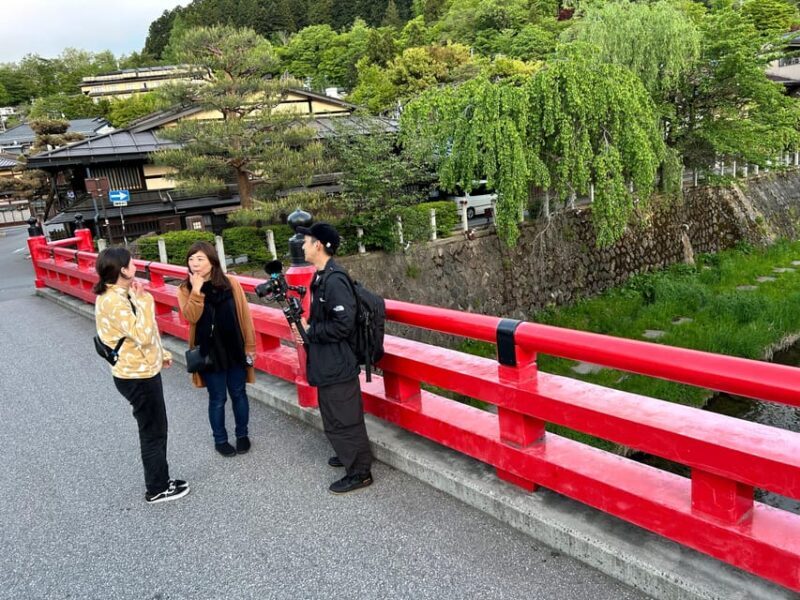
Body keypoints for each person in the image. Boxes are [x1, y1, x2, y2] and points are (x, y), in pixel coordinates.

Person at [94, 247, 189, 504]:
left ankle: (161, 480)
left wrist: (162, 355)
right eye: (131, 262)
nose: (134, 264)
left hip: (139, 368)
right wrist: (146, 301)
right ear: (123, 270)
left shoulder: (118, 293)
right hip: (137, 375)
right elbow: (143, 334)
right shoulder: (114, 300)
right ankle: (157, 488)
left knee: (154, 428)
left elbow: (138, 337)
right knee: (153, 430)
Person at [292, 222, 373, 494]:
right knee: (333, 412)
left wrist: (310, 329)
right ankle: (347, 453)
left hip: (338, 360)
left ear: (318, 245)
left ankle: (360, 472)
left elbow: (344, 324)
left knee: (345, 416)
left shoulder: (335, 278)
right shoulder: (321, 275)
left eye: (306, 241)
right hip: (328, 359)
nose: (302, 245)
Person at [177, 241, 256, 457]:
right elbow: (191, 316)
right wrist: (197, 289)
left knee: (239, 393)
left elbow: (244, 316)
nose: (195, 264)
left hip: (234, 347)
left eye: (200, 259)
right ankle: (220, 439)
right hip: (209, 352)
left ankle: (242, 435)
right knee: (217, 398)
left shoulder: (230, 282)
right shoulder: (185, 288)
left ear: (212, 261)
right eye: (191, 259)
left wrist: (250, 346)